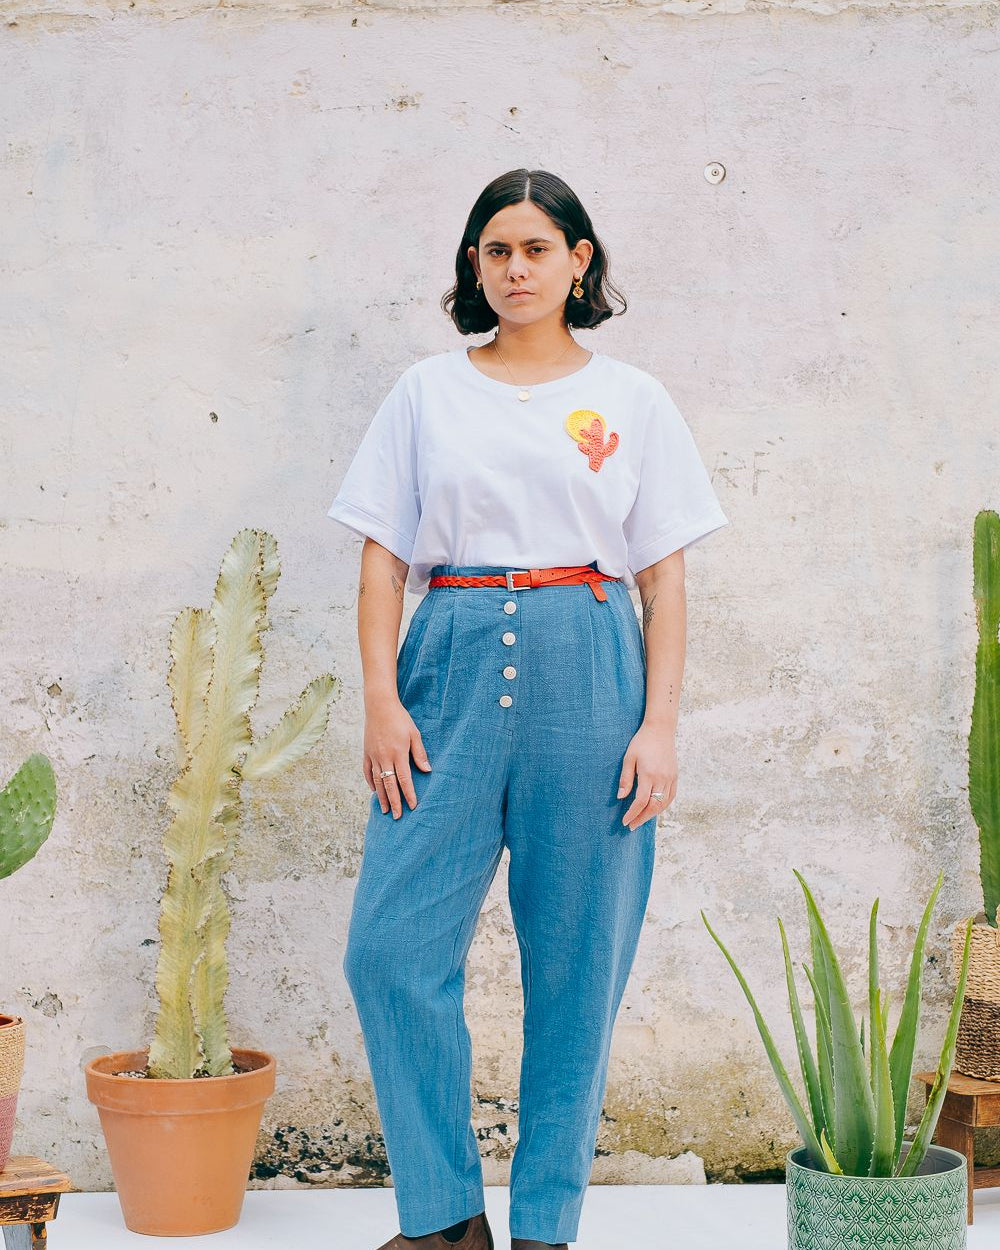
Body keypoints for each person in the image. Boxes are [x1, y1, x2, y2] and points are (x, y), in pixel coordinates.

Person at [327, 168, 729, 1250]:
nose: (515, 268)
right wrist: (379, 699)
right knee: (389, 949)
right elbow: (380, 561)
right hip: (447, 658)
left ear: (578, 261)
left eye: (537, 248)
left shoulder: (634, 399)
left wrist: (660, 722)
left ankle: (546, 1222)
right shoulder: (424, 391)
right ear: (474, 266)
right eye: (495, 250)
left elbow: (665, 578)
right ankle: (444, 1215)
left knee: (577, 957)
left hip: (589, 660)